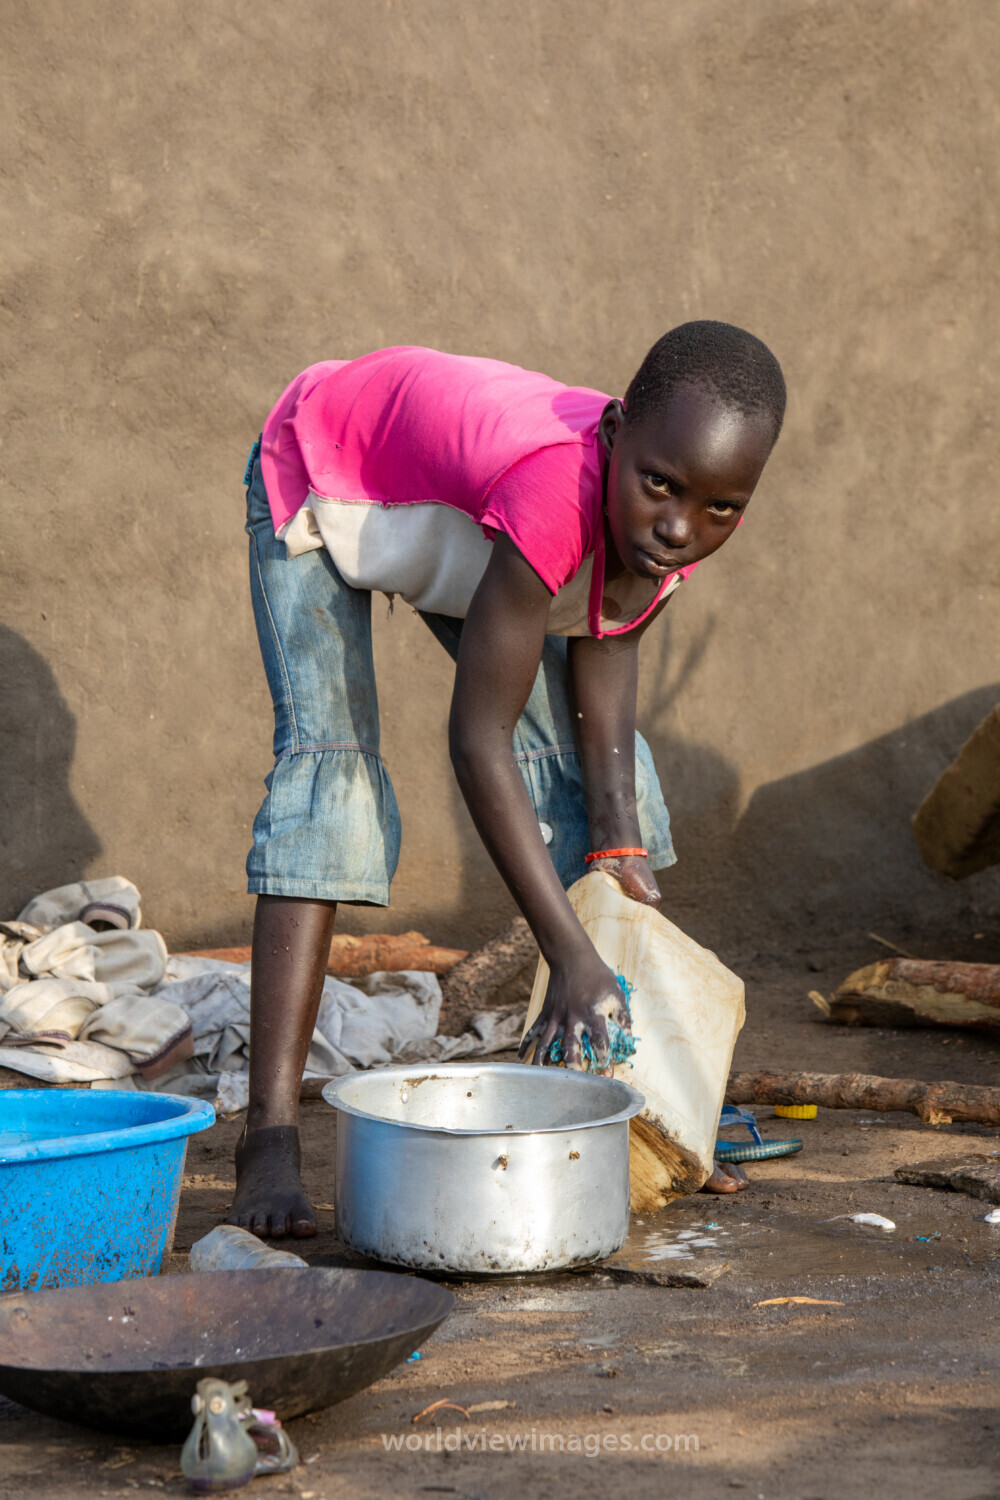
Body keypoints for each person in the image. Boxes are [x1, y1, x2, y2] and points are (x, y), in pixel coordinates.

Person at [230, 321, 786, 1237]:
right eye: (661, 485)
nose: (682, 526)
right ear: (616, 436)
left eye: (721, 508)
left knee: (608, 796)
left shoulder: (661, 528)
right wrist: (568, 952)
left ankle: (640, 1108)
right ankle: (269, 1138)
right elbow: (477, 742)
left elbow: (608, 665)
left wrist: (618, 844)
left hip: (469, 534)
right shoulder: (556, 493)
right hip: (329, 475)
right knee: (332, 785)